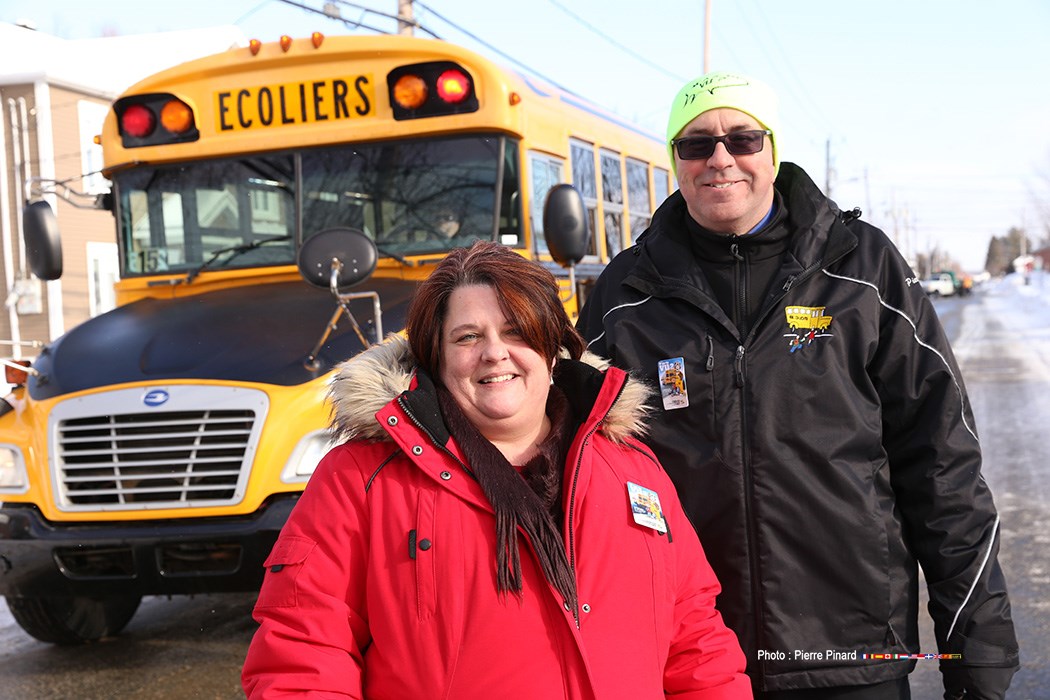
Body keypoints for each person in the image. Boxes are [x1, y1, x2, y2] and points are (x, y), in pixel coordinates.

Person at [575, 72, 1019, 700]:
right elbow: (569, 466)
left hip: (850, 654)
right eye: (696, 144)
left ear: (773, 151)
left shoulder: (861, 271)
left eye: (742, 138)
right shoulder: (626, 295)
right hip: (693, 658)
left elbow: (942, 466)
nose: (720, 158)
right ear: (675, 160)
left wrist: (976, 650)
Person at [242, 241, 752, 698]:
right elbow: (301, 657)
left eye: (516, 331)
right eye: (467, 337)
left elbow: (697, 646)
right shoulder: (360, 479)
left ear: (551, 350)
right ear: (436, 360)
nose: (494, 353)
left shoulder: (633, 470)